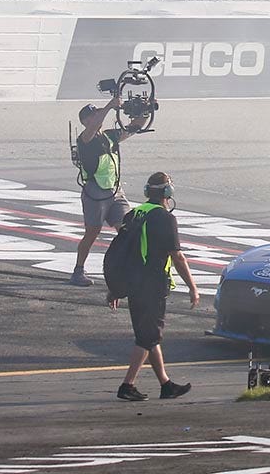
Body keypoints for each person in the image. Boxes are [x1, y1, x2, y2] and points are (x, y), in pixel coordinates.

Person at [109, 172, 198, 401]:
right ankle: (127, 385)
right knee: (147, 338)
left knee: (149, 336)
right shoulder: (165, 218)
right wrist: (192, 287)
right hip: (152, 285)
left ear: (148, 191)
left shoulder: (134, 214)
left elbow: (121, 252)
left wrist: (116, 287)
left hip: (133, 283)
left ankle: (166, 385)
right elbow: (177, 257)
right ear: (168, 192)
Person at [70, 95, 149, 286]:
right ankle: (78, 271)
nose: (97, 117)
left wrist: (145, 110)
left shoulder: (109, 135)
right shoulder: (84, 139)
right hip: (95, 192)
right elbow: (94, 126)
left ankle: (131, 269)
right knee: (92, 231)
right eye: (93, 116)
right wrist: (109, 106)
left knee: (128, 228)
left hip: (115, 190)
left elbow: (134, 127)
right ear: (85, 121)